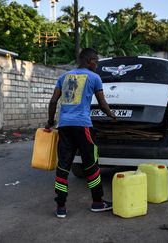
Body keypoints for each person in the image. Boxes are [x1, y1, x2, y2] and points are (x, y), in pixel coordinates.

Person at [45, 48, 116, 218]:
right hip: (83, 126)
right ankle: (98, 202)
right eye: (96, 61)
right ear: (90, 60)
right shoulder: (94, 78)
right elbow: (103, 103)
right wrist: (112, 116)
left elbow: (53, 101)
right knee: (91, 164)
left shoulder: (64, 77)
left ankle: (61, 207)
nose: (97, 65)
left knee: (63, 165)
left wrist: (49, 122)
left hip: (64, 127)